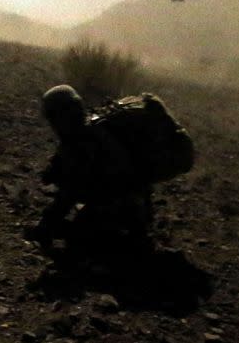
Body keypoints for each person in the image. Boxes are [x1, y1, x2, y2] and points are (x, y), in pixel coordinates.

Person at [24, 85, 154, 257]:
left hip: (122, 208)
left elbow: (69, 194)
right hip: (132, 205)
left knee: (81, 239)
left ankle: (126, 246)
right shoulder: (92, 130)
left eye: (53, 118)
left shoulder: (83, 142)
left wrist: (45, 226)